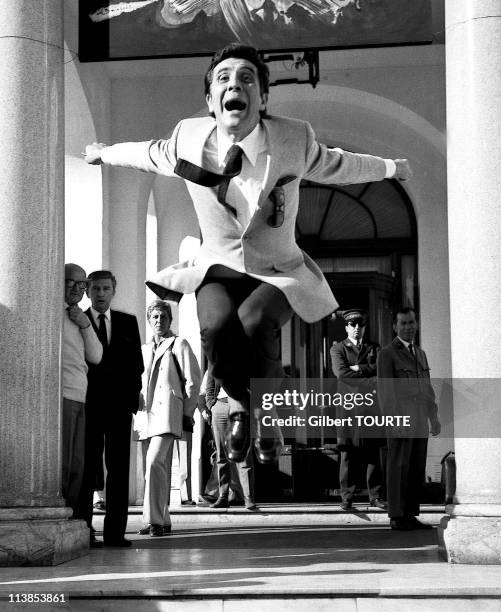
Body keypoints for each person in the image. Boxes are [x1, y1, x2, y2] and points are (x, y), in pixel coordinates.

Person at [84, 42, 412, 465]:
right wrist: (103, 153)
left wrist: (389, 168)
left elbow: (339, 166)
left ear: (263, 97)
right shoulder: (189, 137)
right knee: (216, 326)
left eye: (245, 78)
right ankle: (241, 403)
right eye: (223, 79)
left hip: (276, 268)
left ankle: (266, 411)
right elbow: (148, 154)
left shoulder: (294, 138)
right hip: (218, 265)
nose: (234, 85)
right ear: (210, 103)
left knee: (255, 322)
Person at [79, 270, 143, 547]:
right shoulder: (77, 321)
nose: (101, 294)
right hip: (89, 407)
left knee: (118, 471)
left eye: (106, 288)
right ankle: (84, 531)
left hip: (119, 408)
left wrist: (132, 400)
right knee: (87, 469)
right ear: (88, 292)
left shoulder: (128, 322)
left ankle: (116, 533)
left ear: (113, 290)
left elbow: (137, 366)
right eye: (96, 289)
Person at [135, 300, 201, 537]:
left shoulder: (179, 343)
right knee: (154, 469)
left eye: (163, 317)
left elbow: (193, 380)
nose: (159, 321)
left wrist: (186, 413)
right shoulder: (143, 349)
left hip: (168, 414)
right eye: (154, 317)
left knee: (154, 463)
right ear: (149, 320)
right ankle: (161, 520)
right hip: (146, 416)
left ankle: (154, 520)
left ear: (170, 320)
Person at [377, 307, 441, 531]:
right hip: (400, 417)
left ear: (417, 323)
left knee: (415, 467)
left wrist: (434, 418)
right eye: (403, 323)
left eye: (411, 322)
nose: (408, 327)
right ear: (395, 326)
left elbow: (428, 388)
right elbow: (385, 391)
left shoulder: (420, 353)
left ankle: (411, 514)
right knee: (398, 466)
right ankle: (396, 515)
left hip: (420, 418)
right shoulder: (387, 353)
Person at [330, 308, 386, 511]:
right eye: (352, 325)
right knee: (348, 453)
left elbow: (382, 371)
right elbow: (342, 374)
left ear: (364, 327)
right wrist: (369, 377)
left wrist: (359, 369)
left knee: (373, 452)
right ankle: (347, 497)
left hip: (371, 407)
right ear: (346, 327)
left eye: (359, 325)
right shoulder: (338, 349)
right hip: (348, 409)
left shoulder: (374, 347)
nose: (356, 328)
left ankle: (376, 496)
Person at [62, 264, 102, 524]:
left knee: (78, 465)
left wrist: (86, 325)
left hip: (80, 397)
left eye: (82, 284)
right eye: (72, 283)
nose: (78, 288)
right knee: (64, 465)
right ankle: (58, 516)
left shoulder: (79, 317)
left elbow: (96, 356)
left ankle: (71, 520)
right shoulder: (50, 312)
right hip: (61, 396)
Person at [200, 369, 256, 510]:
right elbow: (210, 385)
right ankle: (223, 496)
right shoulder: (215, 358)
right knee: (221, 455)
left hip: (239, 404)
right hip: (219, 406)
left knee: (243, 452)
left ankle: (248, 498)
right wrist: (211, 404)